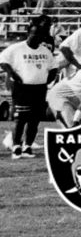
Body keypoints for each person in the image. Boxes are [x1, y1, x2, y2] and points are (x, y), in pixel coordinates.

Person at [0, 19, 56, 158]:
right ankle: (16, 146)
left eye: (40, 36)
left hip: (39, 88)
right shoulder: (17, 48)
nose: (37, 38)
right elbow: (3, 61)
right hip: (22, 88)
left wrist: (49, 78)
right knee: (20, 118)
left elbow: (53, 67)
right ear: (28, 34)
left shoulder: (45, 51)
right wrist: (12, 74)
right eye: (34, 35)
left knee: (34, 120)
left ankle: (27, 146)